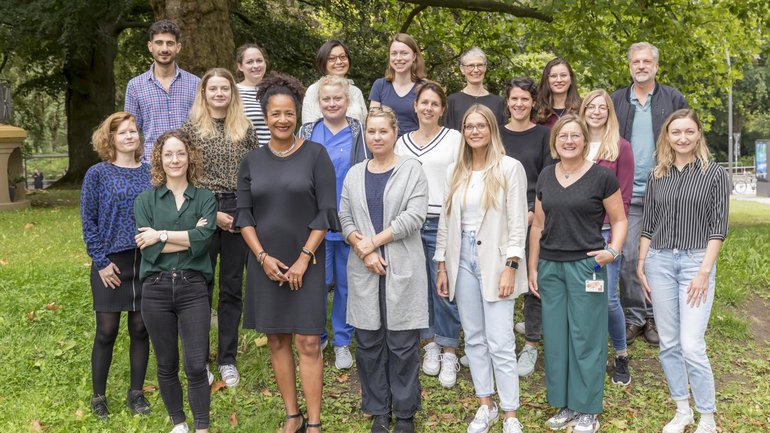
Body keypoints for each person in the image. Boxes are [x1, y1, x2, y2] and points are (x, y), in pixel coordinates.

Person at [235, 73, 338, 433]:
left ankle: (313, 422)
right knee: (277, 338)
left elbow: (325, 213)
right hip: (265, 262)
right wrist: (262, 257)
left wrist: (303, 259)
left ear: (297, 115)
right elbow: (243, 215)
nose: (282, 119)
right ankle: (292, 416)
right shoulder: (251, 161)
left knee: (308, 341)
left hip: (305, 261)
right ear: (265, 116)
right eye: (275, 113)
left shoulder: (315, 155)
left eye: (289, 113)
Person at [528, 114, 627, 433]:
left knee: (586, 338)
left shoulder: (601, 177)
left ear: (585, 140)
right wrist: (533, 265)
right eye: (562, 136)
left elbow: (621, 220)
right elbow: (539, 225)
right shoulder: (546, 175)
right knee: (556, 339)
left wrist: (611, 251)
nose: (568, 141)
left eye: (575, 136)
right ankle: (565, 404)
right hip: (551, 267)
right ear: (554, 141)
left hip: (588, 266)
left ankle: (587, 409)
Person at [435, 104, 529, 433]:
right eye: (469, 126)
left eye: (481, 126)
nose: (475, 131)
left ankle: (510, 413)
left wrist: (511, 266)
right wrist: (442, 265)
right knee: (473, 337)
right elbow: (447, 223)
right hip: (461, 259)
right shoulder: (455, 171)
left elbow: (518, 224)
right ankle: (485, 404)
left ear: (492, 130)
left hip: (496, 259)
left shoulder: (509, 168)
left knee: (500, 339)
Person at [637, 109, 729, 433]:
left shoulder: (714, 174)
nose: (682, 138)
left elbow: (718, 228)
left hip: (695, 263)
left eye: (689, 131)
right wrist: (640, 263)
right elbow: (648, 223)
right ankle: (682, 410)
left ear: (698, 134)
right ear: (667, 136)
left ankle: (707, 416)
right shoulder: (656, 175)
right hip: (659, 262)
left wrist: (705, 271)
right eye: (676, 132)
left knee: (692, 344)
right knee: (669, 343)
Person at [339, 106, 428, 433]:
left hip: (402, 266)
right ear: (366, 133)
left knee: (402, 345)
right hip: (364, 270)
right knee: (368, 344)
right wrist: (362, 249)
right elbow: (344, 216)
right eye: (372, 132)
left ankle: (404, 412)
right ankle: (378, 408)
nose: (377, 137)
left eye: (383, 131)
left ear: (395, 134)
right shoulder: (354, 173)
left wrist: (372, 242)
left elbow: (414, 216)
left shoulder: (411, 169)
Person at [134, 129, 217, 433]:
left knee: (196, 364)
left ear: (189, 156)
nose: (174, 159)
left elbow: (205, 240)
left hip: (193, 288)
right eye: (168, 154)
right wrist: (188, 237)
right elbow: (150, 249)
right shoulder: (145, 200)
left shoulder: (205, 197)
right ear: (159, 158)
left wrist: (162, 234)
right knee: (166, 364)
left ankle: (202, 427)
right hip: (155, 290)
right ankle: (179, 422)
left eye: (180, 153)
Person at [182, 67, 259, 388]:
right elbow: (181, 176)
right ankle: (199, 360)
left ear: (232, 92)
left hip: (238, 209)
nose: (218, 94)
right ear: (204, 93)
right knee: (200, 286)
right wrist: (212, 214)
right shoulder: (190, 129)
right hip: (202, 210)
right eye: (212, 89)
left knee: (231, 288)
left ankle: (227, 358)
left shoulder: (245, 128)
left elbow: (256, 174)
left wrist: (243, 213)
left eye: (224, 89)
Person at [611, 42, 688, 347]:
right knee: (629, 256)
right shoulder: (617, 101)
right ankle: (634, 316)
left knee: (659, 256)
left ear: (656, 66)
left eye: (646, 61)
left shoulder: (673, 98)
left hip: (665, 193)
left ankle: (656, 316)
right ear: (629, 66)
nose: (641, 66)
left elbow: (687, 139)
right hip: (627, 194)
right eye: (635, 62)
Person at [81, 112, 152, 420]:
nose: (129, 136)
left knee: (140, 327)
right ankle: (99, 396)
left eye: (133, 131)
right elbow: (89, 220)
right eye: (122, 132)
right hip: (111, 262)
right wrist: (101, 262)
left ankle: (136, 394)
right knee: (107, 330)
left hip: (146, 259)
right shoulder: (97, 174)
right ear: (110, 139)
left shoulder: (151, 172)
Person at [394, 81, 462, 388]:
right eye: (424, 103)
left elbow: (462, 180)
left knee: (443, 289)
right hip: (410, 223)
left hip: (441, 222)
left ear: (442, 109)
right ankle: (429, 344)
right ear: (415, 106)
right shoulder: (402, 142)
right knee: (417, 289)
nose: (429, 108)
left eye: (435, 103)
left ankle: (449, 349)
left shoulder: (454, 139)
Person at [298, 74, 369, 370]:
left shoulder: (358, 132)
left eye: (337, 98)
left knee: (345, 285)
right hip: (315, 221)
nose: (331, 103)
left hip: (347, 221)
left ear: (348, 101)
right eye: (326, 99)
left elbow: (366, 171)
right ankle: (319, 334)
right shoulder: (308, 131)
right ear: (318, 102)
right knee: (316, 282)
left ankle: (342, 340)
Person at [500, 77, 556, 377]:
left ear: (533, 102)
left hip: (533, 218)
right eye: (514, 99)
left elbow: (548, 177)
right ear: (507, 101)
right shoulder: (496, 133)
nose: (519, 104)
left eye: (525, 99)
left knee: (532, 282)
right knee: (502, 280)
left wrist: (535, 211)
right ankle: (502, 341)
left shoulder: (543, 136)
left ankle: (531, 344)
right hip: (497, 219)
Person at [579, 89, 635, 386]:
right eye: (591, 106)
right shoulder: (573, 141)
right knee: (587, 298)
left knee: (609, 299)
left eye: (602, 107)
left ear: (609, 112)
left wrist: (615, 243)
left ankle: (622, 355)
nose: (597, 111)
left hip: (604, 233)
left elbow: (623, 201)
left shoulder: (620, 147)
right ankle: (594, 356)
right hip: (577, 234)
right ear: (584, 110)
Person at [125, 19, 200, 160]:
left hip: (188, 164)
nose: (164, 49)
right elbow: (130, 131)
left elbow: (204, 127)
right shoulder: (135, 86)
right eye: (159, 43)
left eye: (170, 43)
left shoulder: (196, 83)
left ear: (178, 47)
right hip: (151, 166)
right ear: (150, 46)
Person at [369, 33, 426, 137]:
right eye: (394, 53)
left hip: (415, 147)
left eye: (404, 53)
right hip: (385, 146)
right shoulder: (379, 85)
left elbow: (430, 123)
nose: (398, 58)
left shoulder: (424, 87)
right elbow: (372, 122)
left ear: (414, 56)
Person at [303, 40, 368, 125]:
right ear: (323, 62)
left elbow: (365, 126)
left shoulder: (356, 92)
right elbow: (308, 127)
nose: (339, 62)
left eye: (343, 57)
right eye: (332, 59)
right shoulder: (314, 90)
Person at [444, 47, 506, 131]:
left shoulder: (498, 102)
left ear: (485, 67)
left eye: (480, 65)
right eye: (471, 66)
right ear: (462, 69)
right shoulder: (452, 101)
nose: (476, 70)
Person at [235, 43, 271, 145]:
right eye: (249, 62)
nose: (255, 66)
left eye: (259, 61)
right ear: (240, 66)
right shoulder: (234, 93)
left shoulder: (275, 90)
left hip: (278, 155)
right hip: (247, 156)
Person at [535, 58, 581, 129]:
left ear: (571, 79)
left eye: (563, 75)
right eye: (553, 76)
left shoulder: (582, 110)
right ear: (547, 80)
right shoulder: (535, 110)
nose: (559, 80)